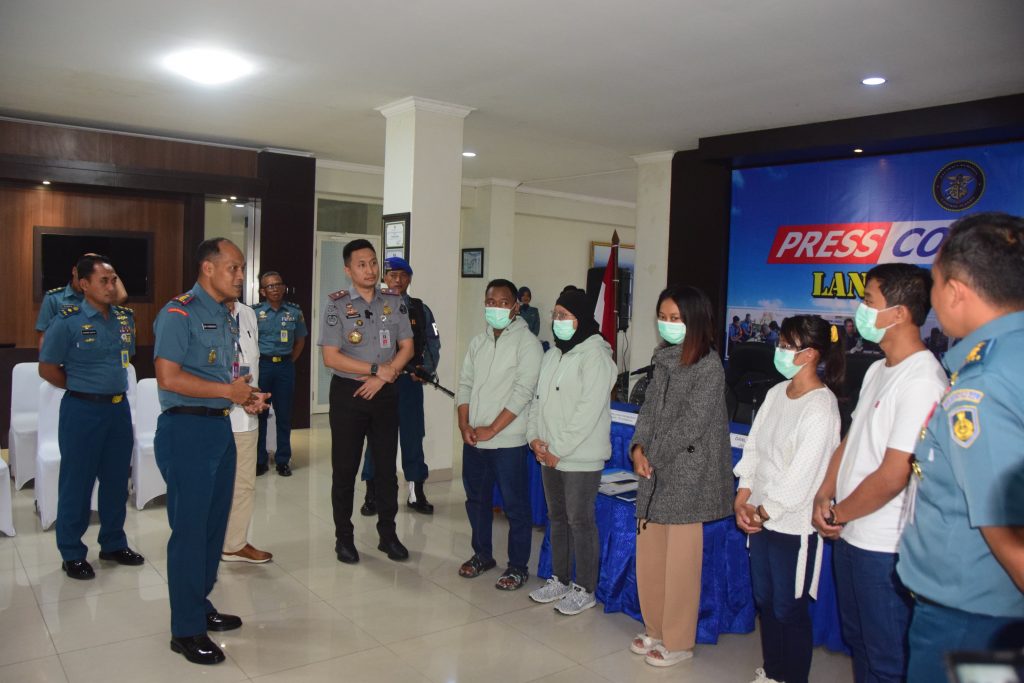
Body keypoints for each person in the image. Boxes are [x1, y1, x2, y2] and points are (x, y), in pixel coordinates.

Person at [898, 212, 1024, 682]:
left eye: (933, 283)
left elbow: (1009, 534)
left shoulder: (982, 386)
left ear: (954, 291)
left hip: (971, 618)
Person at [812, 263, 947, 682]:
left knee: (887, 657)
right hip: (852, 533)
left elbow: (894, 474)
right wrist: (824, 493)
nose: (860, 310)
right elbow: (851, 441)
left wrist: (838, 513)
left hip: (886, 546)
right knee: (860, 642)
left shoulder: (923, 380)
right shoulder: (877, 369)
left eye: (868, 301)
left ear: (900, 313)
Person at [153, 238, 257, 665]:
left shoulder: (225, 315)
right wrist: (227, 392)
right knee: (191, 532)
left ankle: (199, 602)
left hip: (218, 427)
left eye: (241, 268)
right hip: (186, 430)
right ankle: (185, 629)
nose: (240, 276)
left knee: (214, 529)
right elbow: (168, 377)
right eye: (234, 267)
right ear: (208, 268)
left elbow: (221, 374)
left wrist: (244, 395)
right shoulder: (178, 313)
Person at [733, 315, 844, 683]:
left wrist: (762, 512)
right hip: (759, 516)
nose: (778, 351)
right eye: (779, 343)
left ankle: (791, 676)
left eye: (785, 346)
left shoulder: (821, 407)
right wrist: (743, 495)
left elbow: (803, 477)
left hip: (791, 526)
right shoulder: (776, 393)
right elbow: (754, 448)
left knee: (788, 608)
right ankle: (773, 672)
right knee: (766, 602)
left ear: (809, 354)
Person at [628, 285, 733, 667]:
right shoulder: (663, 360)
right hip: (655, 471)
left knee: (680, 567)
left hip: (688, 477)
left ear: (695, 321)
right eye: (663, 317)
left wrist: (652, 455)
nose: (667, 324)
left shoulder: (708, 366)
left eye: (676, 318)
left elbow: (691, 424)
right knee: (651, 558)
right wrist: (638, 449)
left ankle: (677, 641)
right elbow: (648, 412)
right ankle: (654, 628)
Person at [38, 254, 144, 580]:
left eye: (113, 280)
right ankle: (72, 552)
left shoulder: (124, 319)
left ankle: (113, 543)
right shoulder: (67, 321)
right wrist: (82, 386)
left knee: (116, 481)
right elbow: (47, 368)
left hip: (118, 410)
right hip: (82, 411)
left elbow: (126, 357)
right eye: (104, 281)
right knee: (78, 483)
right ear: (84, 284)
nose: (111, 286)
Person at [319, 239, 414, 565]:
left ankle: (388, 535)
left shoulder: (394, 301)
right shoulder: (336, 305)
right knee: (345, 469)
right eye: (362, 264)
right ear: (348, 270)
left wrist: (383, 377)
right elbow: (331, 357)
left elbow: (407, 347)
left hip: (385, 393)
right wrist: (375, 370)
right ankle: (343, 538)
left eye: (373, 263)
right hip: (349, 394)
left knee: (386, 469)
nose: (370, 270)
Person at [527, 286, 616, 615]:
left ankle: (585, 588)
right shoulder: (553, 355)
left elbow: (587, 412)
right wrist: (534, 438)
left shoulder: (597, 357)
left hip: (579, 456)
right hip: (549, 454)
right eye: (555, 314)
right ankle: (560, 579)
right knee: (557, 518)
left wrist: (559, 449)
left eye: (563, 315)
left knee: (580, 520)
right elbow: (538, 401)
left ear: (580, 318)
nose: (557, 320)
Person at [456, 278, 542, 590]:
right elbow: (465, 383)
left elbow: (523, 393)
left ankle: (517, 567)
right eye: (490, 302)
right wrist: (464, 425)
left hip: (507, 442)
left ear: (516, 307)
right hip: (475, 439)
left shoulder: (528, 344)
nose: (496, 308)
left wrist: (492, 429)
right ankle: (482, 555)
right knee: (476, 501)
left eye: (503, 303)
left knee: (515, 506)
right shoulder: (478, 342)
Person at [359, 256, 441, 516]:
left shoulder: (419, 309)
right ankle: (372, 493)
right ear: (385, 277)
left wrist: (425, 370)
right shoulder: (370, 306)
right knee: (376, 439)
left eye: (403, 275)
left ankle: (416, 493)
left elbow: (432, 343)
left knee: (412, 438)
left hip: (408, 384)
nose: (397, 280)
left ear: (409, 279)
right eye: (392, 275)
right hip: (379, 383)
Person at [221, 297, 273, 564]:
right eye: (232, 275)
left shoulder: (248, 314)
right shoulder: (194, 313)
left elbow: (251, 364)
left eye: (240, 275)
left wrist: (254, 396)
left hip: (246, 416)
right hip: (212, 416)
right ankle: (205, 541)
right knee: (211, 486)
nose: (238, 278)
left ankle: (234, 544)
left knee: (244, 484)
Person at [252, 271, 307, 477]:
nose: (275, 289)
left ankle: (283, 460)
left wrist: (289, 361)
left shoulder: (294, 312)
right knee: (260, 414)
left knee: (284, 415)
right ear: (262, 291)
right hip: (263, 367)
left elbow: (300, 340)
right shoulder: (254, 312)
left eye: (278, 285)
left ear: (284, 287)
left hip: (285, 367)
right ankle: (260, 460)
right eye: (270, 286)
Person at [36, 253, 128, 348]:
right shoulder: (54, 298)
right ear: (74, 271)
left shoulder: (97, 297)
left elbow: (122, 296)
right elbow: (43, 336)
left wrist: (106, 269)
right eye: (81, 275)